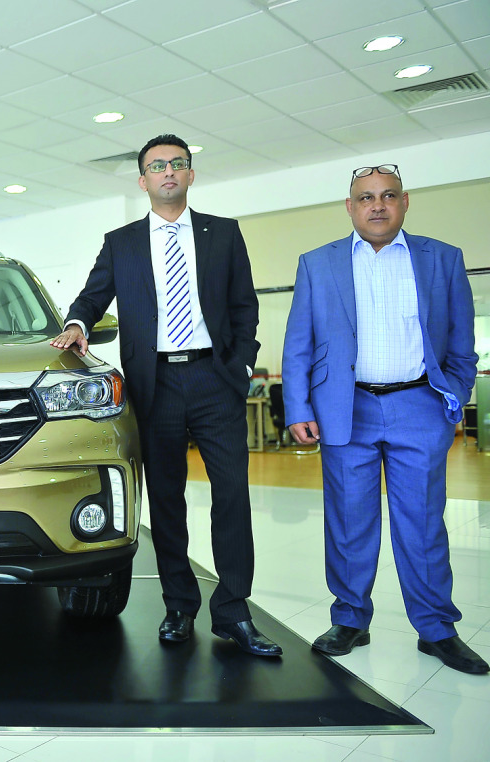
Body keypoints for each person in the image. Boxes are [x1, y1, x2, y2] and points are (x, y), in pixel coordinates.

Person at [51, 134, 280, 657]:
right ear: (143, 180)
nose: (168, 172)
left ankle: (233, 611)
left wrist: (240, 364)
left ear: (190, 175)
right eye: (157, 166)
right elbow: (91, 296)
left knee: (232, 499)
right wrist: (76, 323)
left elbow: (244, 306)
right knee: (167, 501)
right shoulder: (122, 241)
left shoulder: (223, 234)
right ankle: (180, 606)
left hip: (214, 379)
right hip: (154, 384)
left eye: (177, 164)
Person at [282, 164, 486, 674]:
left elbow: (463, 342)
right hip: (344, 410)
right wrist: (299, 407)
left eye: (388, 196)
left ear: (405, 202)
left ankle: (437, 627)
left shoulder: (442, 259)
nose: (378, 205)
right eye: (366, 197)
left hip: (419, 406)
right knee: (350, 523)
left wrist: (453, 397)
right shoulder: (317, 264)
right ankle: (351, 618)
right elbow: (298, 346)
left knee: (422, 523)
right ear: (350, 207)